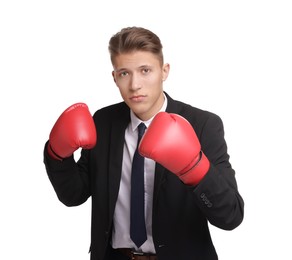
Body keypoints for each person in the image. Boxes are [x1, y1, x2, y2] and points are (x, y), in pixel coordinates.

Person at [43, 26, 244, 260]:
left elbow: (231, 216)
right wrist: (57, 153)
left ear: (164, 71)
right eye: (124, 73)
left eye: (145, 70)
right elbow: (73, 195)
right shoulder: (104, 122)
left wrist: (195, 169)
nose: (135, 85)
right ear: (115, 77)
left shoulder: (202, 124)